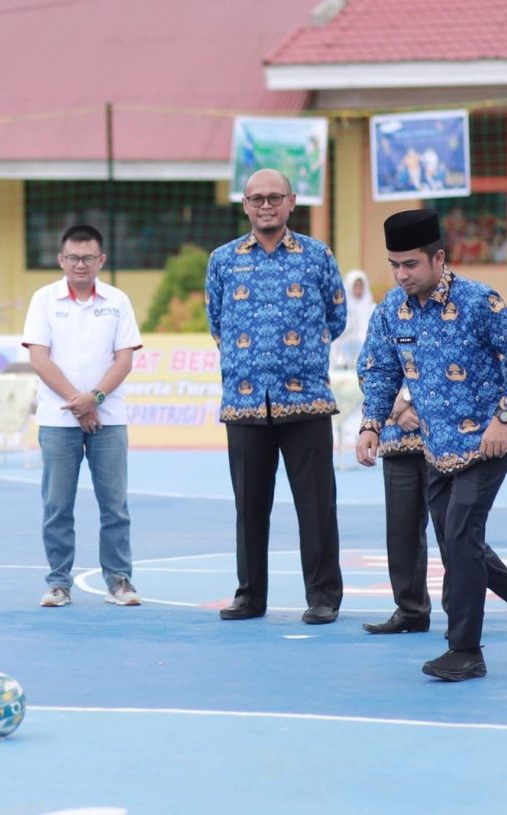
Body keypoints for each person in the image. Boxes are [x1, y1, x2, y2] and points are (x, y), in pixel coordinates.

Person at [356, 209, 507, 682]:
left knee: (461, 535)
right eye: (394, 265)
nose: (402, 275)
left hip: (488, 445)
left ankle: (465, 650)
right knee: (460, 547)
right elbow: (381, 371)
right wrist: (370, 425)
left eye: (411, 265)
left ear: (438, 258)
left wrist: (502, 418)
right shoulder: (390, 312)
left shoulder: (479, 302)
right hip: (435, 449)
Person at [205, 168, 346, 625]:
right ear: (244, 205)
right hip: (245, 403)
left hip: (306, 400)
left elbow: (336, 315)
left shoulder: (316, 255)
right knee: (249, 506)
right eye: (256, 198)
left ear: (291, 202)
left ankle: (323, 596)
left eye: (274, 197)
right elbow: (217, 323)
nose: (265, 205)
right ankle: (250, 595)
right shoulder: (223, 260)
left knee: (317, 506)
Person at [22, 224, 143, 608]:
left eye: (88, 258)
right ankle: (58, 583)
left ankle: (120, 581)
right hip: (59, 421)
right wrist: (79, 402)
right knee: (57, 505)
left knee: (115, 505)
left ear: (101, 260)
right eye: (73, 257)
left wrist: (97, 397)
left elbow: (125, 359)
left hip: (109, 418)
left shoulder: (117, 301)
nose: (80, 264)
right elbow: (39, 358)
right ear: (61, 260)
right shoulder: (44, 299)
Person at [358, 381, 446, 634]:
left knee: (453, 530)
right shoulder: (379, 337)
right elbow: (371, 368)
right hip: (396, 439)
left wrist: (406, 398)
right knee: (401, 531)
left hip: (443, 438)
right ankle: (411, 610)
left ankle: (462, 614)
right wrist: (393, 411)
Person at [331, 269, 375, 370]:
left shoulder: (372, 308)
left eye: (361, 286)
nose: (358, 290)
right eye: (355, 286)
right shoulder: (342, 309)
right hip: (346, 351)